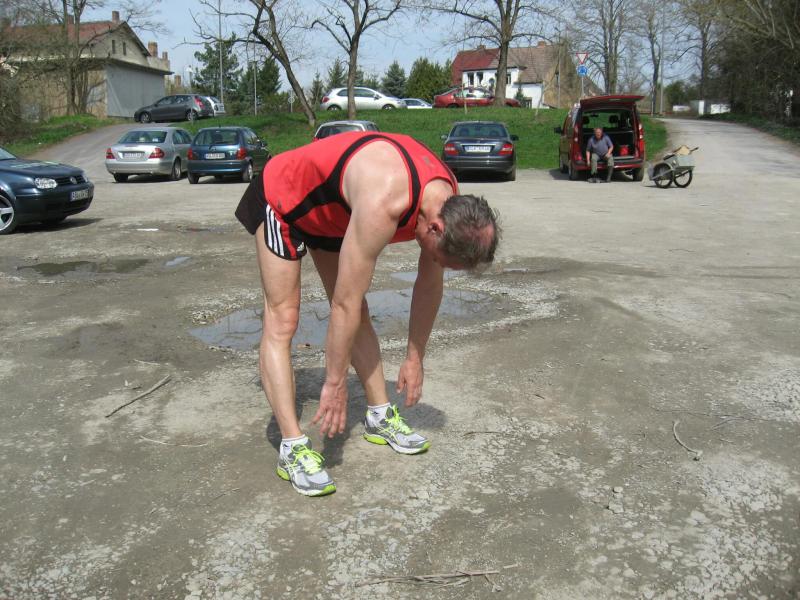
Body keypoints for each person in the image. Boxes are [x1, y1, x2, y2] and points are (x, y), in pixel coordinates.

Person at [235, 131, 500, 496]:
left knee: (356, 307)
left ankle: (379, 416)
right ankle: (292, 448)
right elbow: (341, 305)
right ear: (436, 228)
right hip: (284, 199)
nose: (437, 264)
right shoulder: (385, 199)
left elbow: (428, 285)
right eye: (441, 259)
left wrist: (415, 357)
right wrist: (335, 383)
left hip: (331, 213)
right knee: (284, 320)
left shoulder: (448, 201)